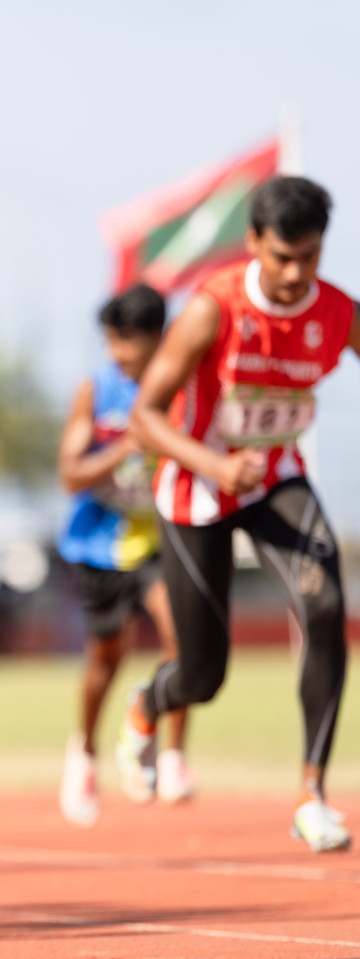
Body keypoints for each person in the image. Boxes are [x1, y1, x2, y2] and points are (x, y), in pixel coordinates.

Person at [122, 176, 356, 853]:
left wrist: (248, 466)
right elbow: (144, 417)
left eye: (309, 257)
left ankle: (312, 795)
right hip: (199, 487)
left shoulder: (339, 311)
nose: (293, 273)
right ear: (253, 243)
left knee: (323, 608)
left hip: (276, 478)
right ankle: (147, 704)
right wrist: (216, 464)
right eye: (281, 256)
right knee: (205, 676)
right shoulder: (213, 309)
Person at [56, 284, 189, 829]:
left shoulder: (184, 388)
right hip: (101, 544)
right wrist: (129, 445)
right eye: (111, 340)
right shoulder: (97, 390)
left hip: (162, 540)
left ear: (160, 339)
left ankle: (173, 753)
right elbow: (70, 474)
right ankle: (83, 752)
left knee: (183, 639)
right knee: (106, 659)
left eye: (129, 341)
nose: (118, 353)